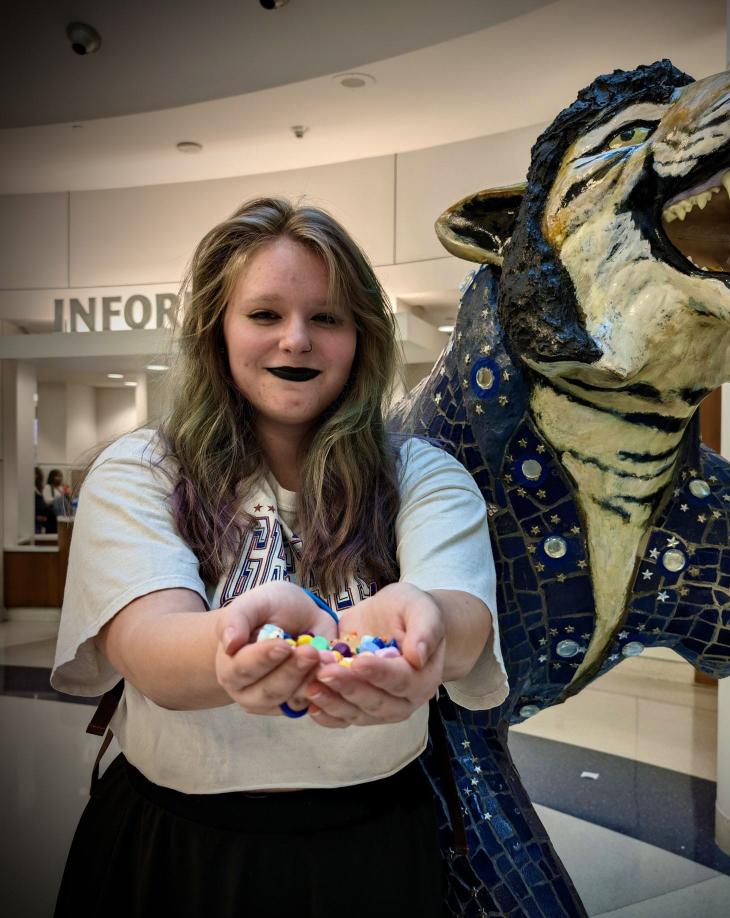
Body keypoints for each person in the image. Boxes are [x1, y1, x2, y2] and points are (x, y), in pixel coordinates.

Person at [50, 198, 507, 917]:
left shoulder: (422, 472)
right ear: (217, 331)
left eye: (326, 318)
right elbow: (147, 645)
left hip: (377, 848)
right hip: (173, 849)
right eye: (264, 315)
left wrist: (418, 623)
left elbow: (463, 620)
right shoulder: (141, 469)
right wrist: (233, 643)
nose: (296, 339)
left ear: (361, 338)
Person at [35, 466, 56, 534]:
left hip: (45, 516)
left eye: (36, 474)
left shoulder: (39, 488)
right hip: (38, 518)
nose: (35, 476)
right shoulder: (47, 487)